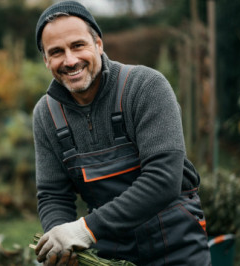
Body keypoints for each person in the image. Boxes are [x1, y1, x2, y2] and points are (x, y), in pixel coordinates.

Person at [32, 1, 211, 265]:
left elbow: (163, 179)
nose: (70, 61)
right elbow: (53, 194)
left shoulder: (145, 87)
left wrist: (84, 230)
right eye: (57, 52)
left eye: (78, 45)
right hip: (111, 252)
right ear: (46, 60)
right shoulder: (46, 114)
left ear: (98, 45)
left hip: (177, 246)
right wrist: (62, 242)